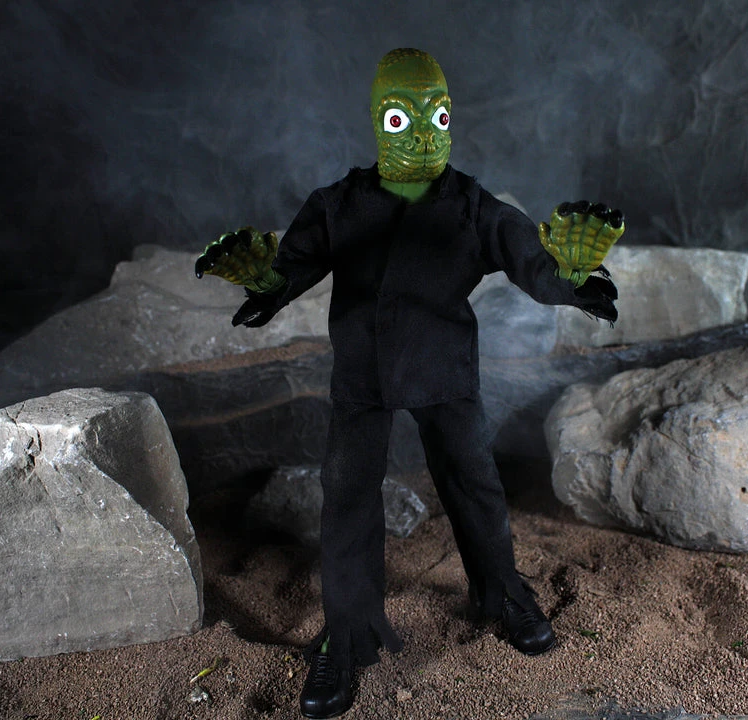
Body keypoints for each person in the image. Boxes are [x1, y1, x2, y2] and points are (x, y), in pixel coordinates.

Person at [195, 47, 624, 719]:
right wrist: (266, 279)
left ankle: (502, 593)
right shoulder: (338, 205)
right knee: (347, 497)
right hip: (362, 375)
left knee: (474, 484)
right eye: (403, 119)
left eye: (438, 117)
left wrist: (568, 273)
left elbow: (528, 260)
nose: (425, 135)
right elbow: (294, 266)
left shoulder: (471, 205)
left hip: (443, 368)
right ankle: (347, 630)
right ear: (378, 121)